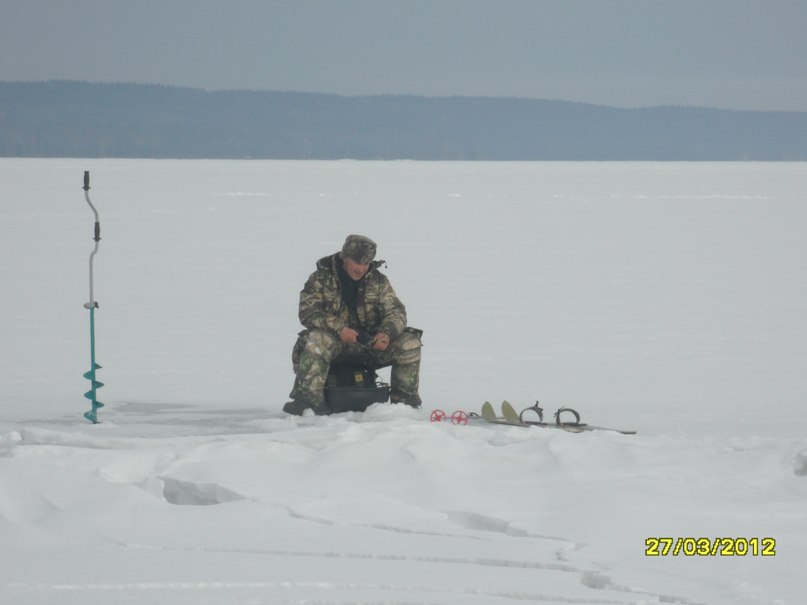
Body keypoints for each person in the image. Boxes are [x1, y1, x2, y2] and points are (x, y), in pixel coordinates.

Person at [283, 234, 422, 415]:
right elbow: (308, 311)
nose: (361, 268)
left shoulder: (378, 281)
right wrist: (339, 329)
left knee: (409, 342)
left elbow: (396, 312)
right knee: (317, 339)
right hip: (332, 344)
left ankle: (405, 407)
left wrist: (386, 334)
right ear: (345, 258)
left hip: (368, 345)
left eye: (366, 264)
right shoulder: (320, 278)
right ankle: (305, 404)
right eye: (357, 262)